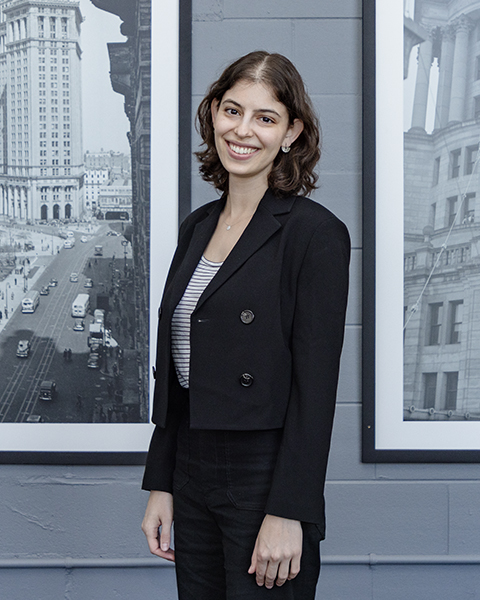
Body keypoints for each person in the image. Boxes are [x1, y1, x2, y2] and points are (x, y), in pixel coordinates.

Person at [141, 51, 350, 599]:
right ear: (212, 113)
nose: (243, 131)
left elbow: (316, 388)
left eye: (266, 117)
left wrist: (290, 510)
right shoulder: (197, 227)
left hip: (265, 473)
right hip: (190, 467)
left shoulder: (315, 234)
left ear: (292, 132)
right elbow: (175, 373)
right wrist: (160, 482)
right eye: (232, 110)